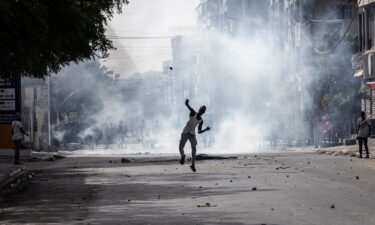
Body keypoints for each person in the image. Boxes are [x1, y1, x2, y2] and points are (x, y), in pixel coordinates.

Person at [179, 99, 211, 172]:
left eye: (203, 111)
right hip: (185, 132)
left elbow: (199, 131)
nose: (202, 111)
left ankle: (193, 164)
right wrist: (187, 102)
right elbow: (187, 106)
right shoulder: (193, 113)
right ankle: (183, 156)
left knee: (194, 148)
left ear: (204, 112)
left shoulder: (201, 120)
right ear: (199, 109)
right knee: (181, 147)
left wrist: (206, 129)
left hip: (192, 134)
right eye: (202, 109)